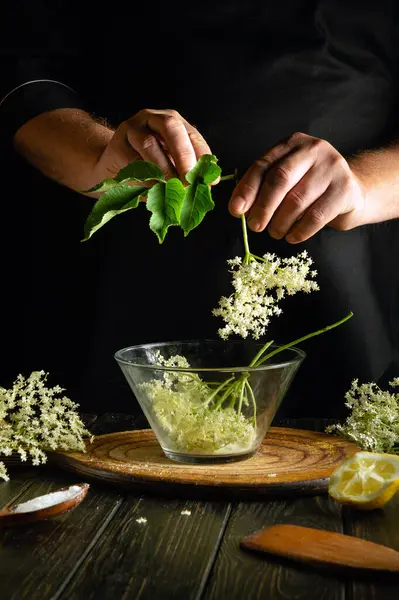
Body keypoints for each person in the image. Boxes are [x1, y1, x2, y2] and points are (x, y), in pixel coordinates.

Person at [1, 0, 399, 418]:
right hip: (117, 291)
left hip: (349, 292)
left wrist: (362, 186)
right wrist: (98, 155)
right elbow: (22, 76)